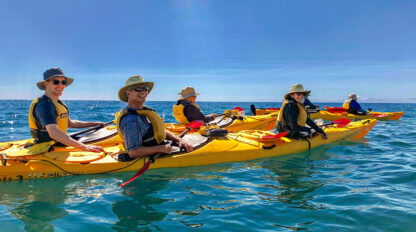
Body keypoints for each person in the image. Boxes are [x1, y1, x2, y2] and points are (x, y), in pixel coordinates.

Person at [116, 75, 193, 159]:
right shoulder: (130, 120)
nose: (143, 92)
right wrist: (161, 148)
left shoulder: (143, 112)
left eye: (145, 88)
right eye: (138, 88)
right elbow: (133, 152)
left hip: (159, 147)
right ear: (128, 93)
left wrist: (179, 140)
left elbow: (159, 130)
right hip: (146, 157)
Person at [28, 68, 104, 152]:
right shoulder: (44, 105)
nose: (60, 85)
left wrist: (94, 124)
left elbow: (70, 123)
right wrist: (84, 147)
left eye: (63, 82)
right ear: (46, 84)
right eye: (56, 82)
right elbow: (53, 133)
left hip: (58, 143)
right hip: (47, 147)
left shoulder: (59, 103)